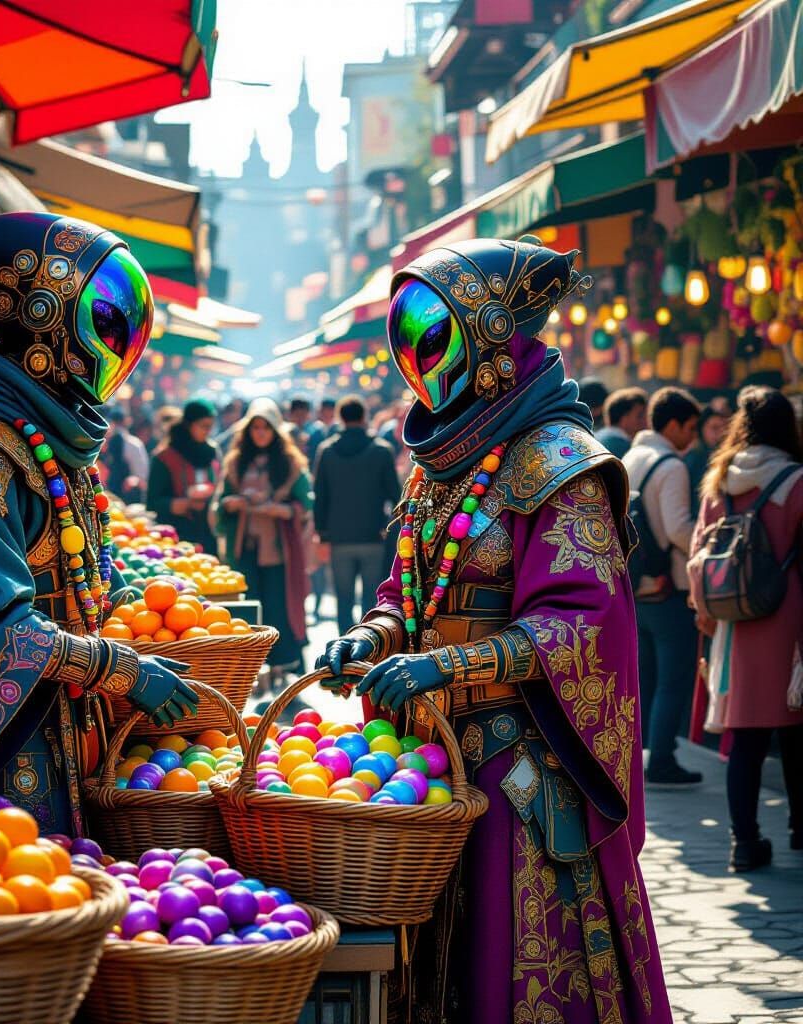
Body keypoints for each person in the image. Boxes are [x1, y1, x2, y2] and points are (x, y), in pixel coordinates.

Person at [317, 236, 671, 1024]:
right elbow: (405, 587)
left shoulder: (560, 463)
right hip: (429, 757)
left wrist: (444, 669)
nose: (420, 360)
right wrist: (373, 636)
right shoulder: (442, 461)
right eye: (412, 338)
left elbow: (581, 624)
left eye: (436, 335)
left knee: (510, 971)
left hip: (521, 767)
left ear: (490, 348)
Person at [0, 212, 197, 834]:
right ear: (47, 326)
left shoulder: (40, 433)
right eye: (99, 325)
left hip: (59, 717)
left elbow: (70, 567)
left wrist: (120, 603)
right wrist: (118, 667)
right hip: (1, 755)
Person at [689, 386, 803, 872]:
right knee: (796, 730)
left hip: (735, 618)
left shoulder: (719, 480)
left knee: (746, 739)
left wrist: (706, 610)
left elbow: (699, 551)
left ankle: (745, 842)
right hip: (789, 615)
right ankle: (800, 828)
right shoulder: (796, 481)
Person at [623, 386, 702, 787]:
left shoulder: (631, 456)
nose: (694, 437)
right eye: (690, 427)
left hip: (635, 587)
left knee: (644, 680)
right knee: (673, 679)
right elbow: (677, 528)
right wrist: (706, 542)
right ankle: (664, 759)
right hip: (666, 588)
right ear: (672, 425)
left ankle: (637, 758)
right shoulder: (671, 465)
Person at [214, 398, 313, 683]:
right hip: (244, 547)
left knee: (277, 604)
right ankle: (249, 664)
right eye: (255, 427)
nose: (260, 433)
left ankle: (281, 664)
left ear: (275, 431)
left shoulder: (291, 464)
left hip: (278, 550)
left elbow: (305, 506)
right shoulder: (235, 462)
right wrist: (232, 503)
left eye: (265, 428)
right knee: (248, 606)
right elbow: (219, 503)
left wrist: (280, 509)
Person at [313, 396, 400, 635]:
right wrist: (390, 529)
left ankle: (345, 647)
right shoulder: (382, 451)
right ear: (364, 417)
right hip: (373, 536)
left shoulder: (327, 451)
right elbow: (396, 496)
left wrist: (321, 534)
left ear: (341, 418)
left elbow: (320, 497)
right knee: (372, 599)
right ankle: (369, 645)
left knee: (343, 598)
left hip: (339, 538)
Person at [146, 399, 220, 555]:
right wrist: (184, 504)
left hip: (208, 533)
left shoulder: (212, 451)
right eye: (203, 426)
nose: (208, 431)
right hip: (176, 536)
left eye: (210, 426)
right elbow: (152, 502)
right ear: (188, 425)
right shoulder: (164, 458)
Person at [685, 399, 732, 518]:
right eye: (715, 428)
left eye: (725, 428)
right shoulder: (693, 459)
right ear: (701, 429)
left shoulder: (727, 458)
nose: (722, 433)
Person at [101, 408, 148, 503]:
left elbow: (142, 477)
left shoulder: (133, 444)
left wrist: (135, 480)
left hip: (125, 497)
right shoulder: (103, 443)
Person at [597, 387, 648, 459]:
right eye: (640, 415)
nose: (646, 420)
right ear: (623, 419)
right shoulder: (622, 447)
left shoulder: (598, 437)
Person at [307, 397, 337, 465]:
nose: (327, 413)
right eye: (324, 410)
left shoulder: (339, 430)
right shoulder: (312, 429)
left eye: (330, 410)